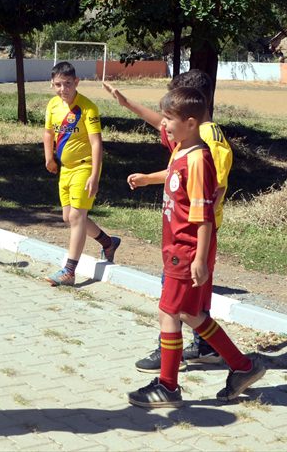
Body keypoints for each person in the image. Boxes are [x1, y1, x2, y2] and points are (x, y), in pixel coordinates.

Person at [122, 86, 265, 407]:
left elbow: (203, 215)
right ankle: (243, 367)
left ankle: (168, 386)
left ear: (189, 123)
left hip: (186, 252)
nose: (163, 124)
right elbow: (175, 178)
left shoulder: (199, 160)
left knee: (168, 314)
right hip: (181, 250)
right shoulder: (183, 151)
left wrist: (199, 258)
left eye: (169, 119)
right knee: (191, 313)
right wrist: (147, 179)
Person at [103, 70, 233, 369]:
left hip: (193, 236)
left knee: (172, 304)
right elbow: (161, 125)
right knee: (189, 304)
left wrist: (200, 252)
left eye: (173, 107)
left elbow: (208, 193)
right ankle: (210, 351)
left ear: (191, 109)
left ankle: (170, 362)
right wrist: (126, 103)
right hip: (184, 234)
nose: (165, 120)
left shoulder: (208, 145)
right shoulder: (190, 132)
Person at [43, 61, 121, 287]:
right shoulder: (53, 105)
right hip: (65, 169)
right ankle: (108, 242)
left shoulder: (88, 108)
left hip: (84, 167)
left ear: (76, 82)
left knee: (77, 217)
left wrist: (94, 175)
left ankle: (69, 271)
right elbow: (48, 133)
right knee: (69, 217)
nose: (63, 89)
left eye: (67, 84)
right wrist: (49, 158)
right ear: (52, 84)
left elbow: (97, 143)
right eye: (58, 84)